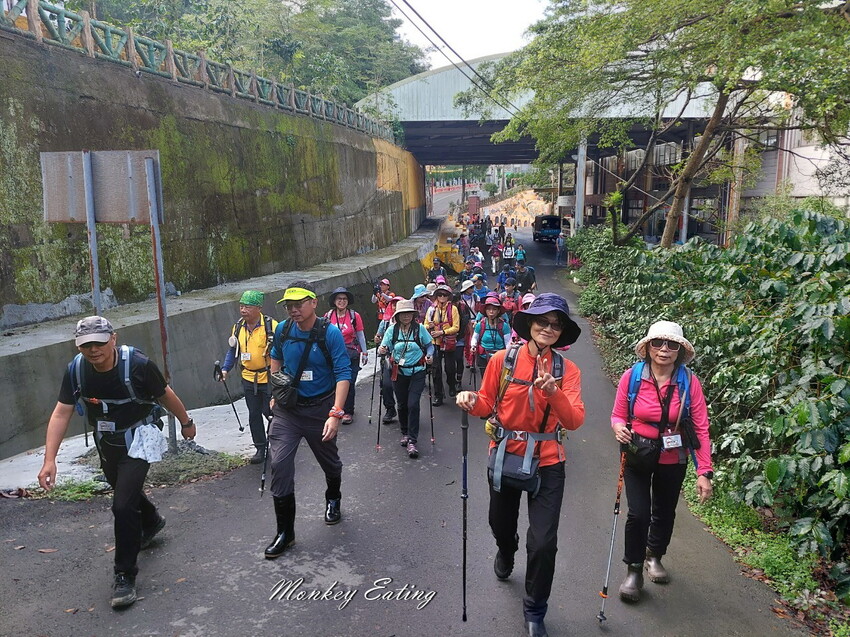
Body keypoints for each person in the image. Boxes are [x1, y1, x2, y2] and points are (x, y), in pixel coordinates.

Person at [38, 316, 195, 609]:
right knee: (124, 490)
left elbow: (164, 395)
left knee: (122, 504)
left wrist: (186, 422)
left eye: (99, 343)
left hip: (141, 437)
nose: (93, 350)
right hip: (108, 441)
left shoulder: (137, 365)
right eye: (86, 345)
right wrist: (50, 459)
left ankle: (124, 575)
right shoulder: (76, 370)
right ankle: (151, 521)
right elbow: (62, 412)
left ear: (113, 338)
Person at [456, 294, 584, 637]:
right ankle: (505, 548)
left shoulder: (567, 371)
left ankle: (534, 611)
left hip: (548, 461)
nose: (548, 328)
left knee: (543, 542)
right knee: (500, 522)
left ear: (562, 333)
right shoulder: (502, 360)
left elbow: (573, 421)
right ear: (529, 324)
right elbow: (486, 403)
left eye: (556, 324)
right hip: (505, 455)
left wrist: (554, 391)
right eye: (542, 321)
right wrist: (470, 400)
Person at [610, 320, 713, 602]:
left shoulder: (689, 382)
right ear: (648, 347)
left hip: (672, 456)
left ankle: (654, 555)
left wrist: (704, 471)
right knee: (638, 514)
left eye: (672, 344)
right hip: (637, 455)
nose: (664, 349)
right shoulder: (632, 377)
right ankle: (633, 569)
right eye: (658, 343)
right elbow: (618, 414)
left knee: (665, 511)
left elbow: (701, 428)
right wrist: (618, 427)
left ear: (680, 350)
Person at [265, 281, 352, 559]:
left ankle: (333, 498)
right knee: (279, 464)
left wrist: (336, 413)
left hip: (320, 409)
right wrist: (276, 389)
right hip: (288, 411)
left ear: (313, 302)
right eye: (288, 305)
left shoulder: (330, 333)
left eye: (298, 304)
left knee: (330, 462)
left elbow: (342, 372)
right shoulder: (283, 329)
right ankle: (285, 532)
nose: (293, 310)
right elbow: (275, 358)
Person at [219, 290, 277, 463]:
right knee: (253, 414)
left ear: (258, 308)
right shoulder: (238, 327)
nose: (243, 310)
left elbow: (281, 353)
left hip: (268, 377)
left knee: (271, 412)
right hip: (249, 378)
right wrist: (225, 369)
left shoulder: (271, 326)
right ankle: (260, 448)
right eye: (241, 306)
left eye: (248, 307)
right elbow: (233, 351)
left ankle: (279, 444)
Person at [379, 300, 434, 459]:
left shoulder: (420, 329)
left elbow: (430, 346)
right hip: (399, 372)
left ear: (413, 314)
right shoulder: (392, 331)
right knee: (402, 404)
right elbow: (384, 348)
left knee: (413, 404)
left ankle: (412, 440)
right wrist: (383, 349)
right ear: (397, 316)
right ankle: (404, 432)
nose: (406, 316)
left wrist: (429, 356)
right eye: (403, 314)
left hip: (417, 372)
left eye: (409, 313)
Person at [324, 287, 368, 425]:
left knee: (349, 382)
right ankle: (336, 408)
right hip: (333, 354)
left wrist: (365, 352)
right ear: (334, 301)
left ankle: (348, 411)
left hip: (351, 354)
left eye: (344, 299)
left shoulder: (355, 316)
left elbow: (360, 334)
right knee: (333, 382)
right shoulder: (328, 316)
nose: (341, 301)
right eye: (339, 299)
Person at [424, 284, 460, 406]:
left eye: (444, 295)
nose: (442, 297)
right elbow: (424, 325)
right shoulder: (431, 310)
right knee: (436, 369)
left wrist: (442, 332)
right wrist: (430, 327)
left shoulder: (453, 309)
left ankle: (451, 385)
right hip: (435, 343)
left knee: (450, 368)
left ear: (448, 296)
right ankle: (438, 395)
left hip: (448, 341)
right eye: (440, 294)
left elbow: (456, 327)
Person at [470, 295, 512, 376]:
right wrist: (473, 346)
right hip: (483, 357)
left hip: (499, 358)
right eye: (489, 309)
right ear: (485, 311)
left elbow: (508, 343)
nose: (491, 312)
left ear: (498, 311)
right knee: (485, 379)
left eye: (494, 309)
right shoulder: (480, 325)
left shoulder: (504, 326)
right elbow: (475, 337)